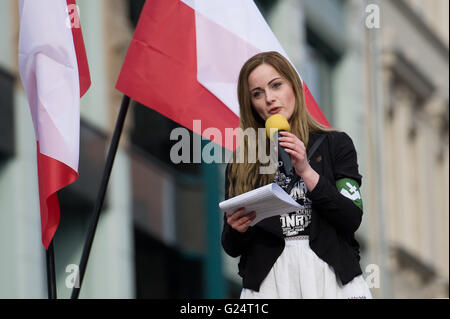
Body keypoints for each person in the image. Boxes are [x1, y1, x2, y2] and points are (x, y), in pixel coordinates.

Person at [221, 51, 372, 299]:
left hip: (331, 276)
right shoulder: (242, 162)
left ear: (294, 86)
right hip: (270, 282)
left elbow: (351, 216)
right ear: (251, 104)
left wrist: (306, 170)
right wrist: (237, 229)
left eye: (276, 85)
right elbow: (230, 246)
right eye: (257, 93)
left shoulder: (335, 144)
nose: (269, 99)